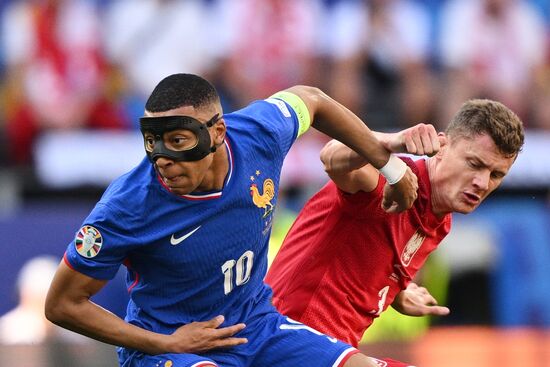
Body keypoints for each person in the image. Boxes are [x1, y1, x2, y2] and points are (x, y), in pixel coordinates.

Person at [45, 73, 419, 367]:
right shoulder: (127, 207)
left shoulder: (259, 134)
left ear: (217, 132)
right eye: (152, 141)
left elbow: (314, 100)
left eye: (178, 141)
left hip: (254, 326)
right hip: (168, 348)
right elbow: (62, 305)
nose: (162, 159)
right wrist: (168, 343)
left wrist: (390, 167)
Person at [266, 99, 525, 353]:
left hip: (331, 350)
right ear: (443, 145)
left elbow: (366, 256)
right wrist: (388, 142)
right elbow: (331, 157)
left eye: (496, 175)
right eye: (474, 164)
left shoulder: (440, 220)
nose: (483, 182)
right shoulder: (390, 182)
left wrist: (398, 291)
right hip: (288, 337)